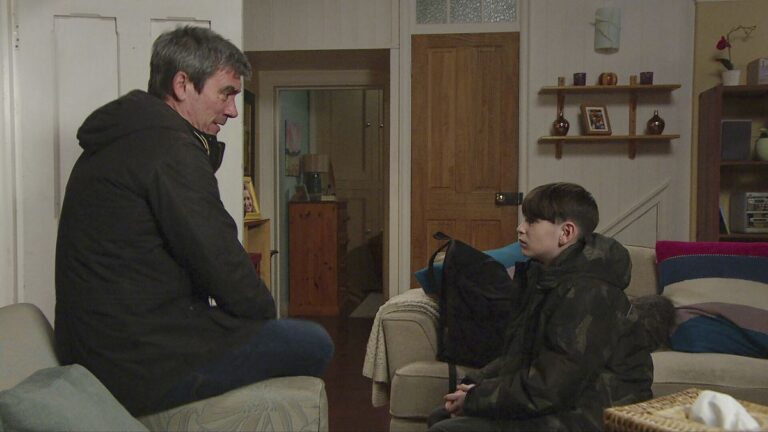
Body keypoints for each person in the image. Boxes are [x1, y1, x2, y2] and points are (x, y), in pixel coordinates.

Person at [55, 26, 333, 416]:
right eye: (226, 93)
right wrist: (263, 321)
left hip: (102, 349)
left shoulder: (126, 138)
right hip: (133, 363)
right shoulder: (169, 149)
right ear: (183, 84)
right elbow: (223, 264)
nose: (233, 110)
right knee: (311, 342)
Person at [427, 182, 653, 432]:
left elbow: (554, 385)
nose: (520, 228)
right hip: (566, 400)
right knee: (442, 416)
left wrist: (477, 398)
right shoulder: (544, 277)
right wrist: (475, 384)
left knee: (448, 429)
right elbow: (520, 356)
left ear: (566, 232)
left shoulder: (590, 291)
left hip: (599, 411)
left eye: (532, 221)